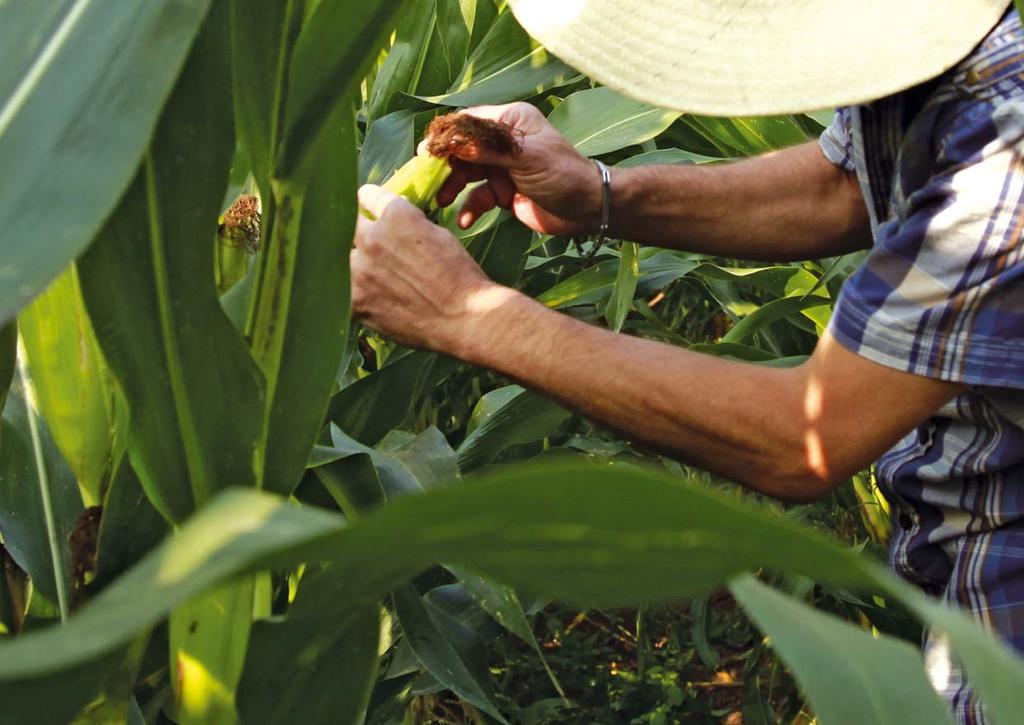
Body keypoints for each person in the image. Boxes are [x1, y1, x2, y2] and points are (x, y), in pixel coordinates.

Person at [350, 1, 1023, 721]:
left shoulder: (1010, 150)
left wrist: (463, 311)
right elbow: (843, 183)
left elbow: (806, 436)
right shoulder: (943, 57)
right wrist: (598, 194)